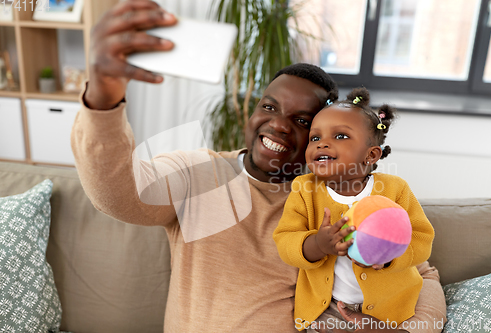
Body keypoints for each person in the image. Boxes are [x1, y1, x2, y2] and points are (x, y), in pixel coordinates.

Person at [71, 1, 447, 331]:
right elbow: (118, 194)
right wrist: (103, 97)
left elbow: (422, 273)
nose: (279, 124)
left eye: (303, 122)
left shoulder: (329, 198)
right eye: (269, 107)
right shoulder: (199, 174)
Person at [273, 87, 435, 332]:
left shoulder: (394, 189)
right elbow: (285, 240)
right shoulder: (304, 190)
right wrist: (317, 245)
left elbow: (421, 239)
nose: (322, 144)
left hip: (392, 308)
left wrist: (388, 258)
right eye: (315, 138)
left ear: (371, 155)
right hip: (327, 308)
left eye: (340, 136)